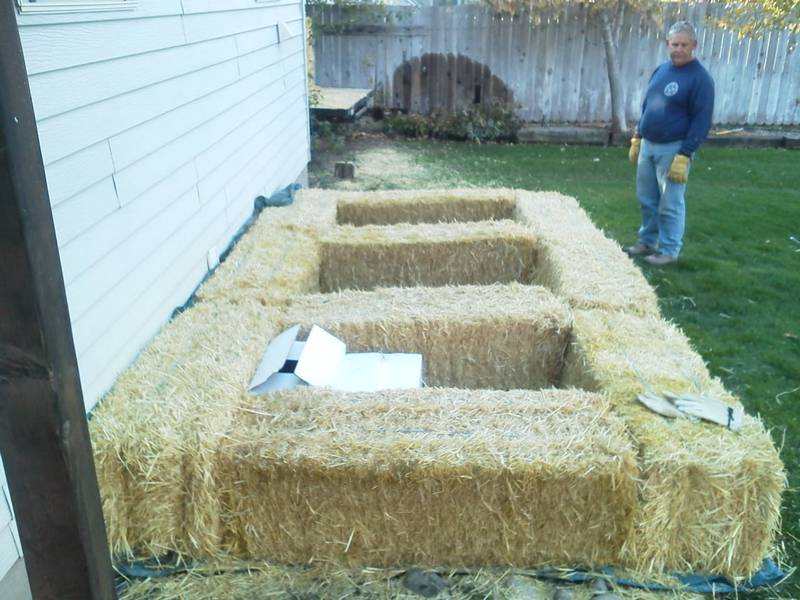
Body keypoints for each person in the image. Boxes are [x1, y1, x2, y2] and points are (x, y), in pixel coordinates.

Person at [626, 21, 715, 266]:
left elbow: (702, 120)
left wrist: (685, 154)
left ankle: (669, 250)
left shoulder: (701, 79)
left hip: (673, 149)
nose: (678, 49)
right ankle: (647, 241)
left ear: (694, 46)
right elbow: (647, 106)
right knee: (647, 198)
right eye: (674, 44)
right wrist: (637, 135)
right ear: (668, 44)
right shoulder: (661, 70)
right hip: (648, 145)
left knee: (670, 202)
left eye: (684, 45)